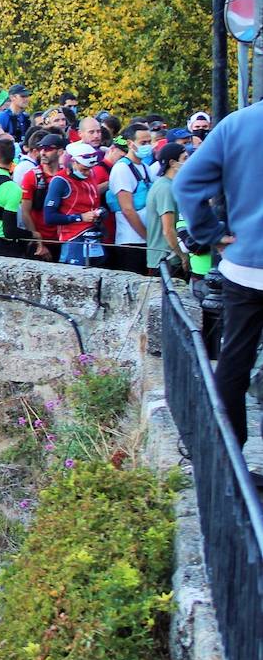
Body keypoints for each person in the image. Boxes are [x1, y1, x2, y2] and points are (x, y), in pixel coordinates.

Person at [174, 102, 263, 455]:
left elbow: (187, 184)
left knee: (234, 359)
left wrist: (211, 232)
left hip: (245, 266)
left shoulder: (238, 124)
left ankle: (227, 451)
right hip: (244, 265)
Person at [43, 141, 106, 266]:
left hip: (94, 237)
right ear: (72, 163)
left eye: (90, 169)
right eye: (84, 170)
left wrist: (101, 212)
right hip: (73, 239)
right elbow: (49, 217)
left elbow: (93, 204)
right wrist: (80, 217)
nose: (87, 173)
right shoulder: (60, 181)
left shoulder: (91, 175)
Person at [106, 123, 155, 273]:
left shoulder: (145, 167)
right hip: (131, 240)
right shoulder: (122, 169)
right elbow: (127, 209)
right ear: (130, 143)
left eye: (149, 142)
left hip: (144, 238)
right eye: (143, 143)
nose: (147, 146)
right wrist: (147, 237)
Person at [144, 142, 189, 274]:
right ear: (173, 163)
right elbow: (168, 229)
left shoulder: (170, 185)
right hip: (166, 260)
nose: (189, 162)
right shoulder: (165, 188)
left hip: (168, 258)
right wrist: (182, 256)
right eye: (185, 158)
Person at [21, 134, 64, 262]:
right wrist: (37, 241)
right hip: (40, 238)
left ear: (60, 152)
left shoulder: (67, 175)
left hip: (62, 238)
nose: (43, 153)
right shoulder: (32, 176)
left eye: (49, 149)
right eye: (41, 149)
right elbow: (25, 212)